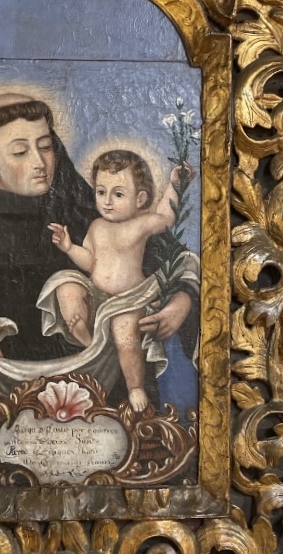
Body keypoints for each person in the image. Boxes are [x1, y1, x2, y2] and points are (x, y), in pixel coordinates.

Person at [0, 92, 196, 412]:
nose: (40, 163)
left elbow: (175, 261)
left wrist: (183, 301)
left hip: (110, 406)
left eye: (45, 146)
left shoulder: (84, 209)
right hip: (15, 412)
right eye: (21, 151)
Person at [48, 150, 193, 412]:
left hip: (131, 298)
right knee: (64, 284)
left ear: (140, 199)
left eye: (118, 194)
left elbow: (166, 217)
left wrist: (175, 185)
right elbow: (89, 261)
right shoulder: (96, 226)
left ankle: (135, 386)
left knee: (124, 329)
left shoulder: (140, 224)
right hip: (99, 296)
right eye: (101, 192)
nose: (107, 201)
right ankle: (85, 338)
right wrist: (69, 248)